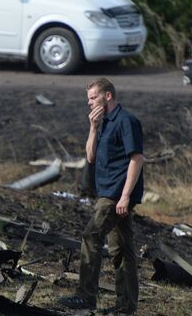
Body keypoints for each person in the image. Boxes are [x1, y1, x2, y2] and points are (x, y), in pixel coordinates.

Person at [58, 78, 145, 315]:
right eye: (88, 99)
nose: (90, 103)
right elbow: (91, 157)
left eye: (93, 97)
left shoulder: (126, 121)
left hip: (116, 194)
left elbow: (137, 159)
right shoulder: (103, 123)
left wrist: (125, 196)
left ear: (108, 96)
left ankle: (86, 297)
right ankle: (126, 307)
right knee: (122, 249)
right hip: (105, 192)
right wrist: (93, 128)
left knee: (90, 236)